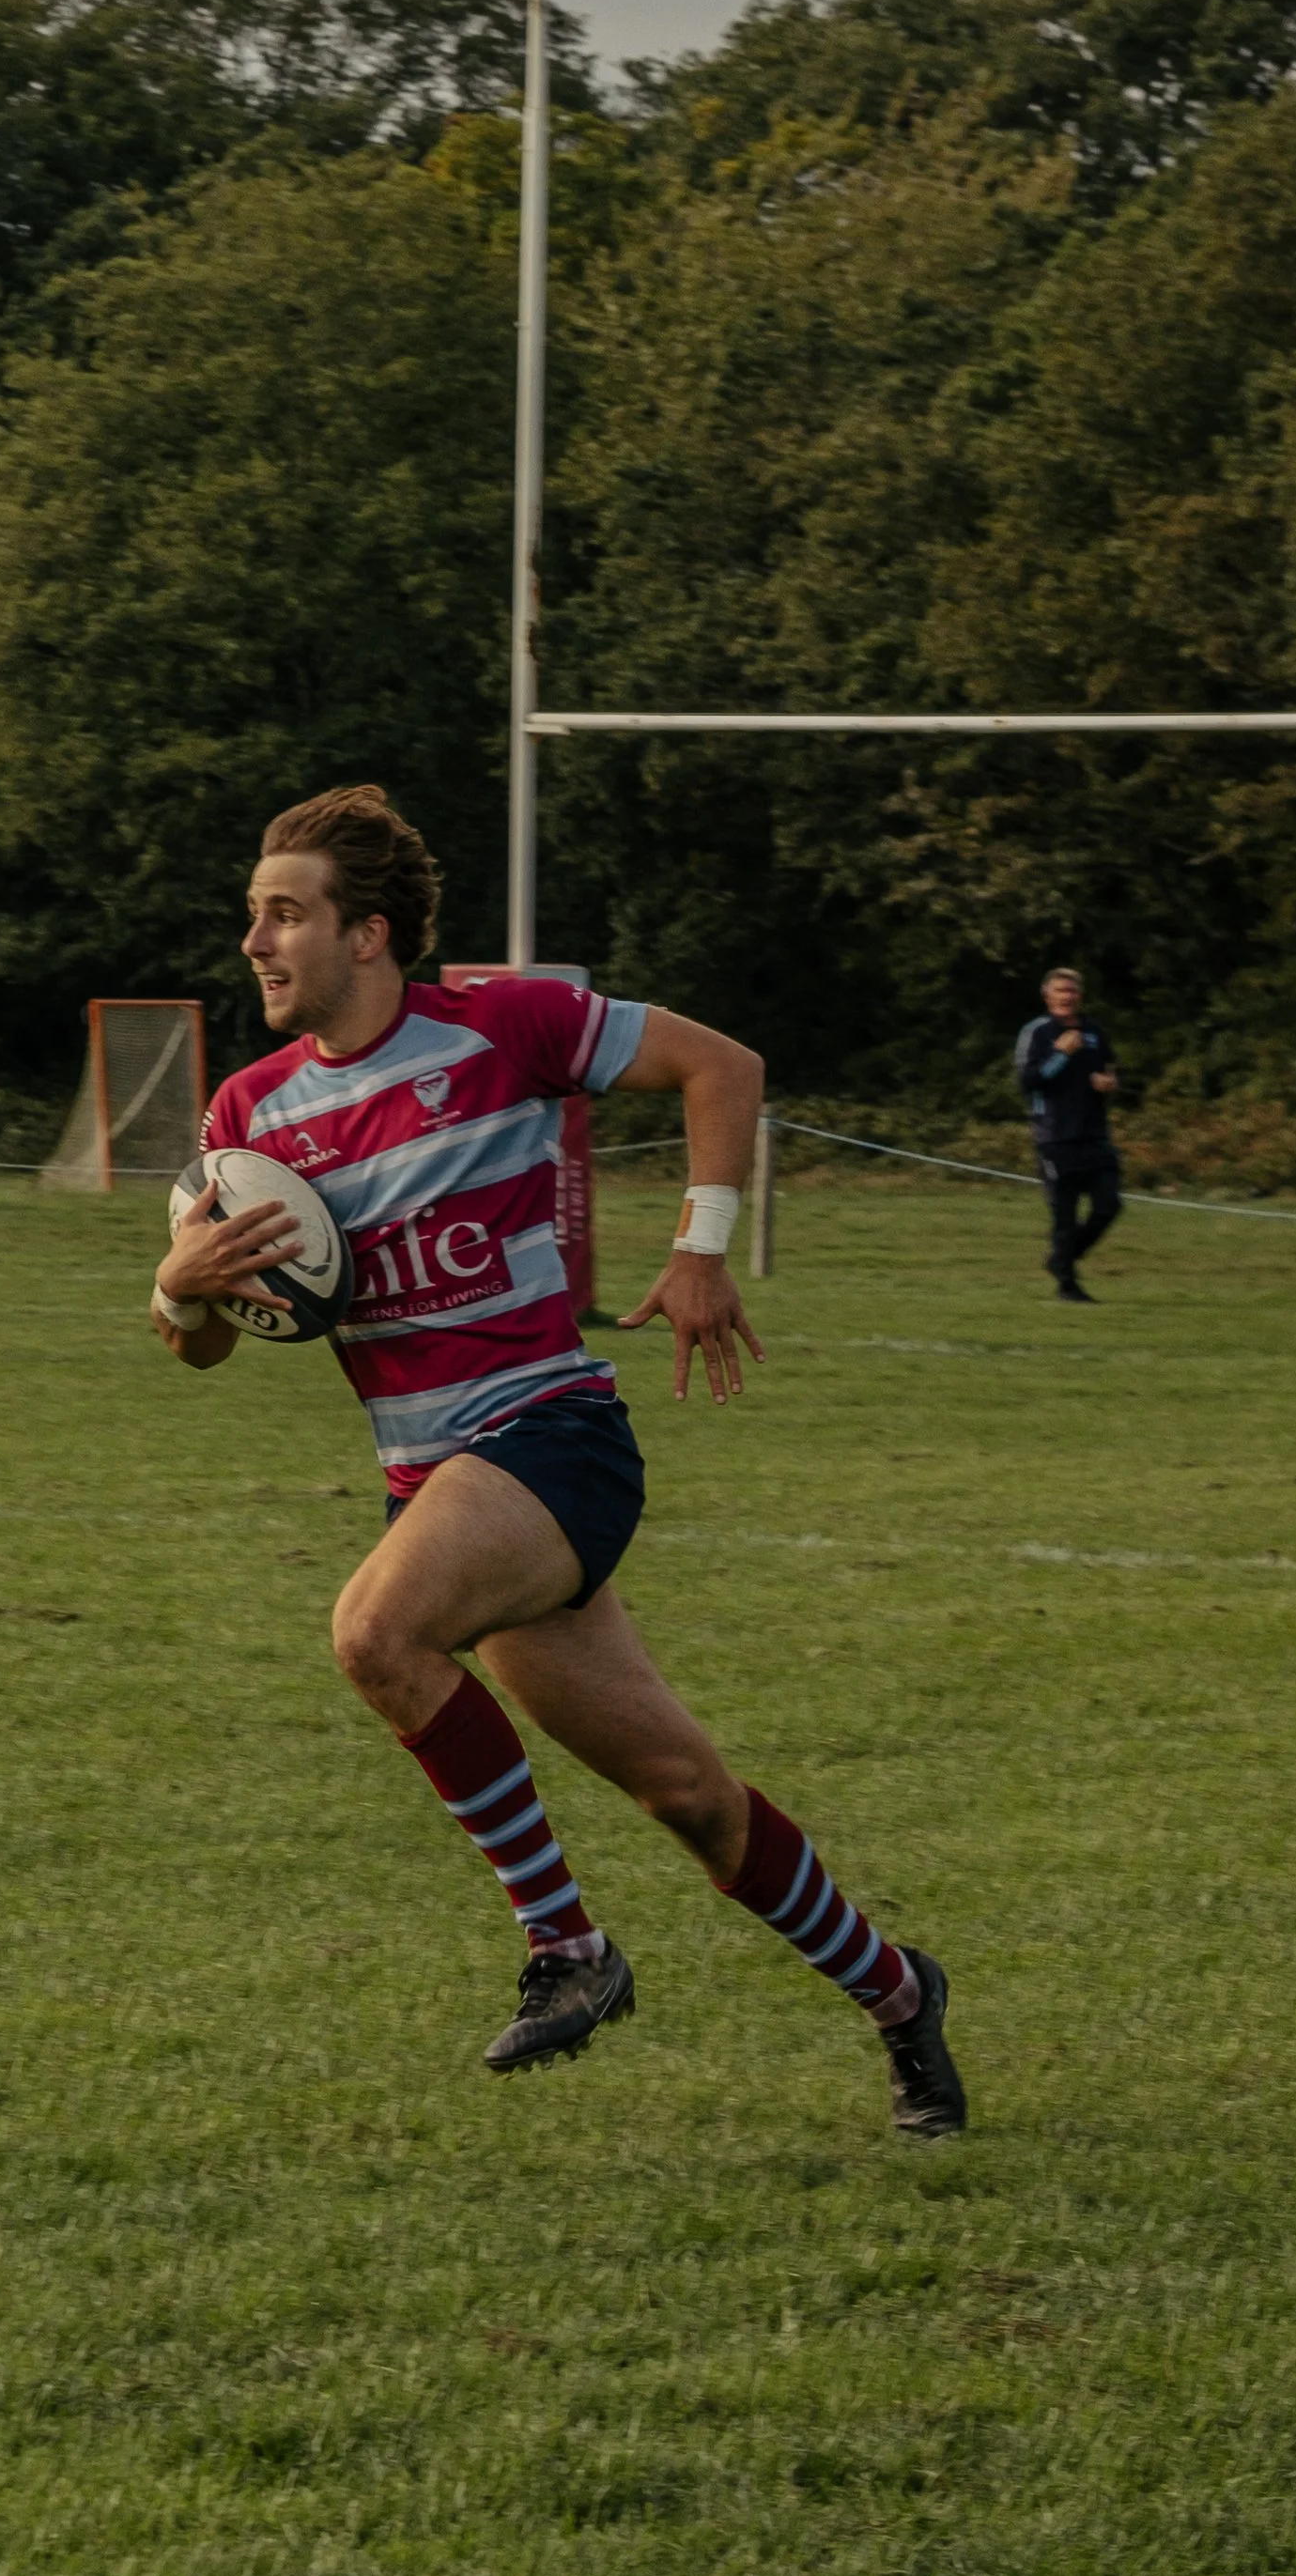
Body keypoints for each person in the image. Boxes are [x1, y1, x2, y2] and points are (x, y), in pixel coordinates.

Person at [148, 782, 965, 2137]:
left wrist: (700, 1244)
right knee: (689, 1799)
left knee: (374, 1632)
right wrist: (179, 1291)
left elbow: (727, 1067)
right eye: (251, 913)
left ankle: (567, 1947)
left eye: (284, 912)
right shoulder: (249, 1117)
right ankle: (898, 1994)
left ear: (373, 935)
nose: (254, 939)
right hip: (437, 1482)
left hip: (551, 1436)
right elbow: (209, 1345)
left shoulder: (503, 1023)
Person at [1013, 965, 1122, 1303]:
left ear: (1080, 996)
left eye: (1072, 991)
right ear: (1047, 996)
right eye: (1060, 991)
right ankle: (1067, 1285)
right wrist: (1061, 1054)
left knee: (1108, 1206)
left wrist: (1109, 1083)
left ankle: (1061, 1260)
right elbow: (1028, 1082)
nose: (1066, 997)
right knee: (1064, 1213)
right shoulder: (1037, 1032)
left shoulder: (1094, 1031)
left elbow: (1110, 1069)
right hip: (1055, 1137)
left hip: (1094, 1136)